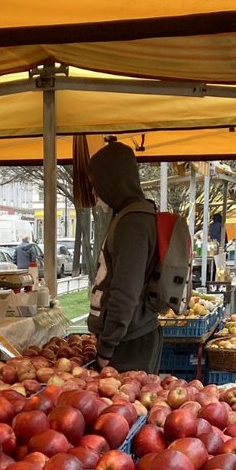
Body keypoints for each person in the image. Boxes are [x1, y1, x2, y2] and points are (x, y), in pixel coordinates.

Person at [86, 140, 162, 373]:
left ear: (112, 181)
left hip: (129, 343)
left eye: (96, 184)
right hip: (131, 336)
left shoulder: (133, 222)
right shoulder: (132, 215)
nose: (95, 193)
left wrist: (106, 349)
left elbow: (125, 291)